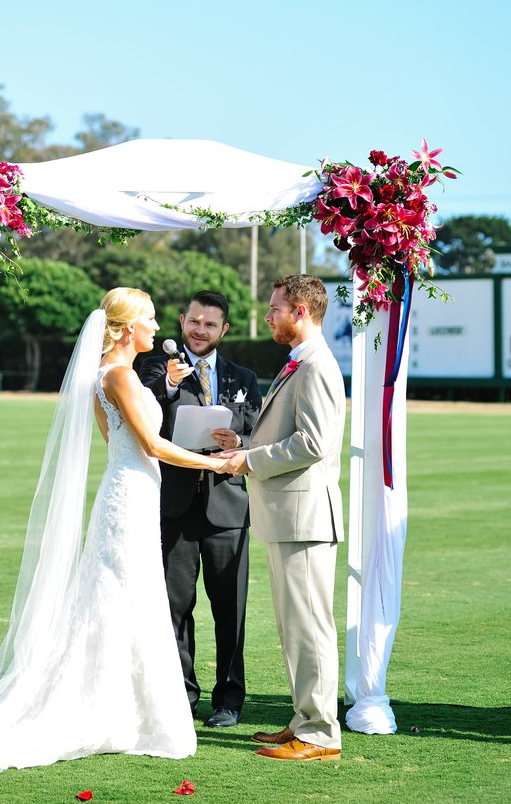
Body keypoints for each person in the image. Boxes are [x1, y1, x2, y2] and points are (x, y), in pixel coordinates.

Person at [0, 287, 231, 773]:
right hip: (130, 492)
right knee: (119, 594)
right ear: (126, 329)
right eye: (148, 318)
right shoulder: (120, 376)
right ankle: (117, 709)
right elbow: (153, 445)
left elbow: (120, 439)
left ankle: (123, 706)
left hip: (129, 490)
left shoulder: (107, 376)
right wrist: (222, 464)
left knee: (123, 596)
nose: (157, 326)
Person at [216, 275, 345, 761]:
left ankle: (318, 734)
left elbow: (313, 443)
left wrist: (249, 460)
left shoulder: (317, 366)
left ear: (301, 312)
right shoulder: (301, 362)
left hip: (305, 518)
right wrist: (245, 445)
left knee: (310, 627)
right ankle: (302, 721)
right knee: (297, 627)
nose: (268, 316)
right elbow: (288, 435)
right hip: (288, 517)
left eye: (275, 309)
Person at [139, 291, 262, 728]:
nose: (200, 330)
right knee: (174, 607)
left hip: (228, 506)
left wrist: (240, 444)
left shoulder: (243, 375)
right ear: (181, 321)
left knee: (230, 609)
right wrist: (171, 383)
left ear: (224, 329)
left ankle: (229, 699)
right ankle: (181, 696)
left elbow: (257, 434)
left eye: (210, 324)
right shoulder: (154, 367)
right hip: (173, 506)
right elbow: (147, 410)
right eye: (194, 321)